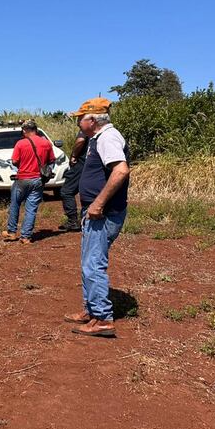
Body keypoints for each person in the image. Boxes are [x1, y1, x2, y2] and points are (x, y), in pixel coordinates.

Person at [64, 100, 130, 337]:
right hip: (95, 214)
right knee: (87, 262)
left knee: (93, 264)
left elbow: (121, 170)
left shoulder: (108, 138)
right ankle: (91, 309)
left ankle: (102, 318)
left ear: (92, 120)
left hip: (102, 214)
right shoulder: (98, 139)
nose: (77, 121)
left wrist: (99, 203)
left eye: (80, 117)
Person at [2, 120, 55, 244]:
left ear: (25, 130)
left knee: (15, 204)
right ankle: (25, 237)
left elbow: (15, 161)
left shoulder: (21, 143)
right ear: (35, 129)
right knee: (31, 208)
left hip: (22, 178)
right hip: (38, 180)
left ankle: (12, 232)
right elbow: (51, 160)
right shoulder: (46, 143)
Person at [58, 106, 92, 231]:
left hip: (81, 163)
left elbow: (80, 141)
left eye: (79, 118)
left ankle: (73, 221)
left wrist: (74, 156)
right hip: (90, 165)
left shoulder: (85, 130)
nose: (77, 121)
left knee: (66, 191)